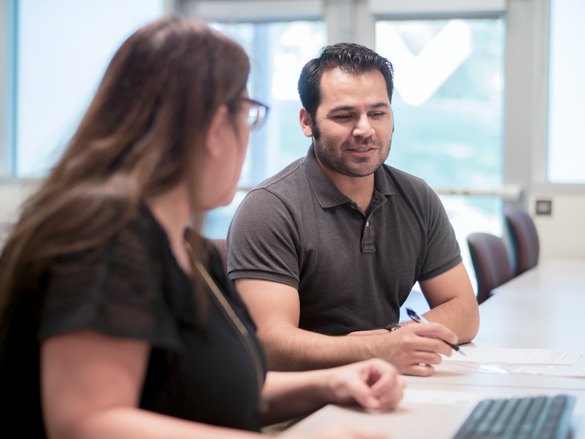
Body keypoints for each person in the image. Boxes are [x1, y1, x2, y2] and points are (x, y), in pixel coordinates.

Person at [0, 20, 404, 439]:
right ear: (215, 130)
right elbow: (89, 422)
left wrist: (332, 383)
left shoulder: (190, 249)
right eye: (247, 116)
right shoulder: (104, 243)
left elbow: (213, 391)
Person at [227, 43, 480, 376]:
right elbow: (271, 345)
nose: (365, 129)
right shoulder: (270, 208)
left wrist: (394, 341)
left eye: (377, 113)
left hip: (388, 381)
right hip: (302, 405)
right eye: (344, 116)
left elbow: (464, 310)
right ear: (307, 121)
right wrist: (377, 349)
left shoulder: (417, 197)